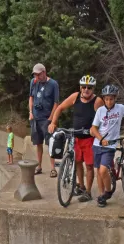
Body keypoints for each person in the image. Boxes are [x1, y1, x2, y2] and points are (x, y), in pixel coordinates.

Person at [48, 75, 104, 203]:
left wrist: (96, 130)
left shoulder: (97, 101)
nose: (86, 90)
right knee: (78, 162)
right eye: (83, 87)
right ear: (80, 87)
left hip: (90, 139)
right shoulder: (75, 97)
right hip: (76, 138)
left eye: (89, 87)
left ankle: (88, 192)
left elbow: (104, 118)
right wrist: (53, 123)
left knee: (89, 166)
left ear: (93, 88)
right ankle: (81, 186)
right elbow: (60, 107)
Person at [90, 84, 124, 207]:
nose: (109, 101)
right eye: (106, 99)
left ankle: (108, 192)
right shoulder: (100, 111)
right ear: (103, 99)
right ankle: (101, 195)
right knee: (99, 171)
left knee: (103, 170)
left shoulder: (120, 108)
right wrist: (100, 139)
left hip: (111, 145)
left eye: (111, 99)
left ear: (115, 98)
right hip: (98, 144)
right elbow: (94, 128)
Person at [28, 63, 60, 176]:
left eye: (38, 74)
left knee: (50, 143)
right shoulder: (33, 82)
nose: (36, 77)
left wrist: (51, 119)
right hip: (36, 118)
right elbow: (31, 98)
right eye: (35, 75)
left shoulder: (53, 84)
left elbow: (56, 103)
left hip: (47, 118)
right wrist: (30, 112)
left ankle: (53, 168)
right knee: (38, 143)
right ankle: (39, 166)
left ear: (44, 72)